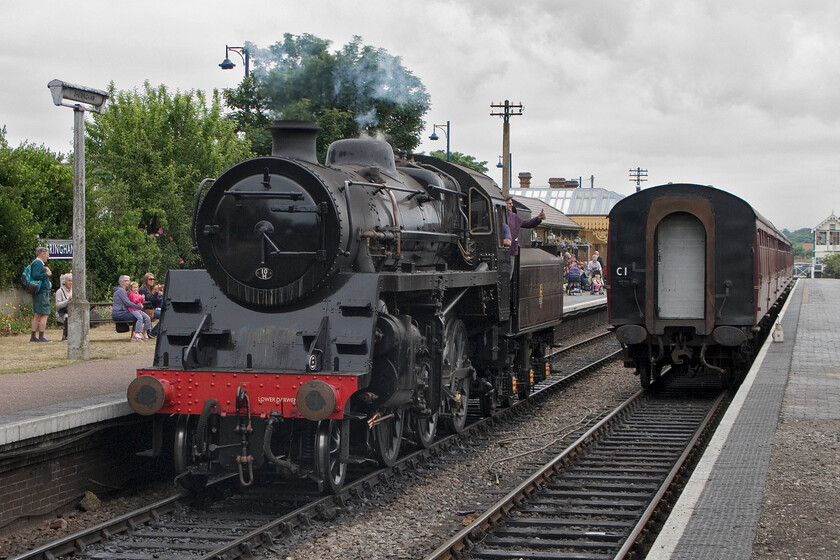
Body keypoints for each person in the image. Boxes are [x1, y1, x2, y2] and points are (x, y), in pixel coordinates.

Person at [506, 197, 545, 276]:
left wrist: (538, 218)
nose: (511, 205)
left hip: (511, 251)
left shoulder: (514, 217)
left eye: (511, 203)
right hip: (501, 251)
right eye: (509, 203)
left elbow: (527, 223)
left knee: (508, 276)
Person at [112, 275, 149, 341]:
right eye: (127, 281)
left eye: (129, 280)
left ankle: (135, 336)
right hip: (119, 313)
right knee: (138, 317)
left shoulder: (123, 290)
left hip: (123, 312)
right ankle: (135, 335)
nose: (129, 282)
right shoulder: (121, 291)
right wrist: (139, 307)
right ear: (122, 282)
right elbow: (127, 303)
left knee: (139, 316)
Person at [29, 247, 53, 342]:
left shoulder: (37, 263)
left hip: (39, 291)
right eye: (47, 254)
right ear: (42, 253)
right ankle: (41, 336)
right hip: (41, 291)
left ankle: (33, 336)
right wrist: (47, 274)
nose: (48, 256)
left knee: (38, 314)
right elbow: (36, 276)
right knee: (44, 313)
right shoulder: (38, 263)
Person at [55, 273, 72, 341]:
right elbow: (57, 306)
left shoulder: (73, 291)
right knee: (67, 317)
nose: (70, 282)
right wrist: (67, 301)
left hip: (71, 311)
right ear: (65, 282)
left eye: (72, 281)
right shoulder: (59, 291)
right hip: (61, 313)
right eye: (69, 281)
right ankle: (65, 336)